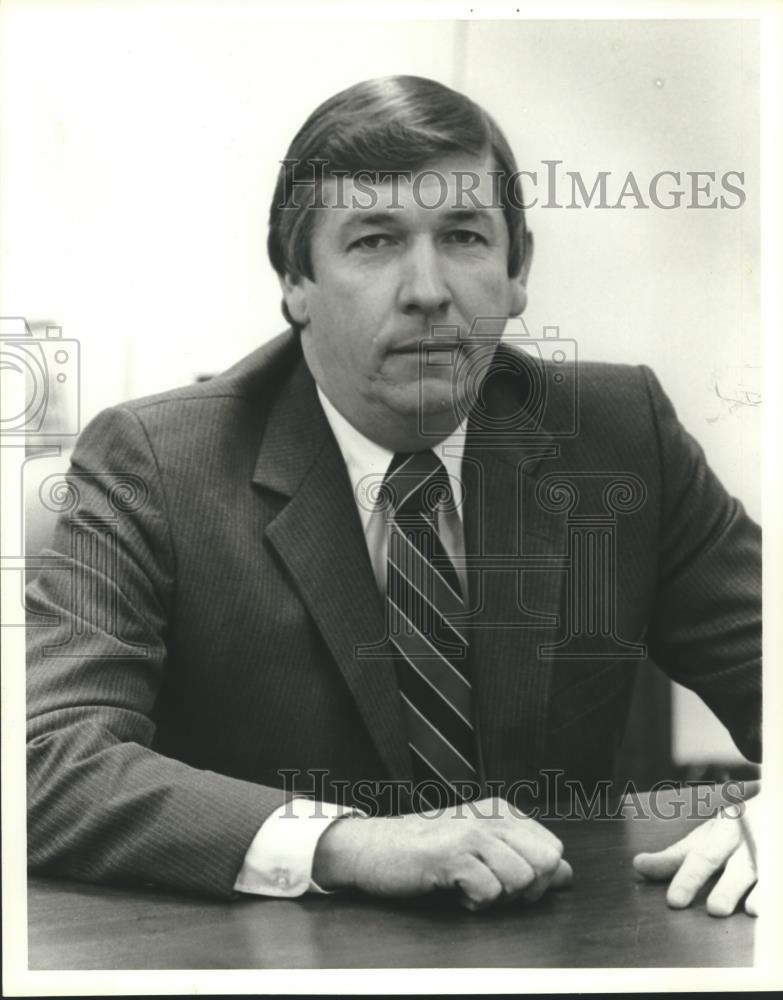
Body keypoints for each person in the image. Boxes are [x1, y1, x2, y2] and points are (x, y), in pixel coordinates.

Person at [26, 75, 761, 915]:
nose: (426, 290)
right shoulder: (157, 464)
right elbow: (43, 758)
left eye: (462, 236)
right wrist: (347, 844)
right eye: (373, 241)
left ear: (517, 272)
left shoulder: (616, 434)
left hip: (558, 946)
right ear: (296, 283)